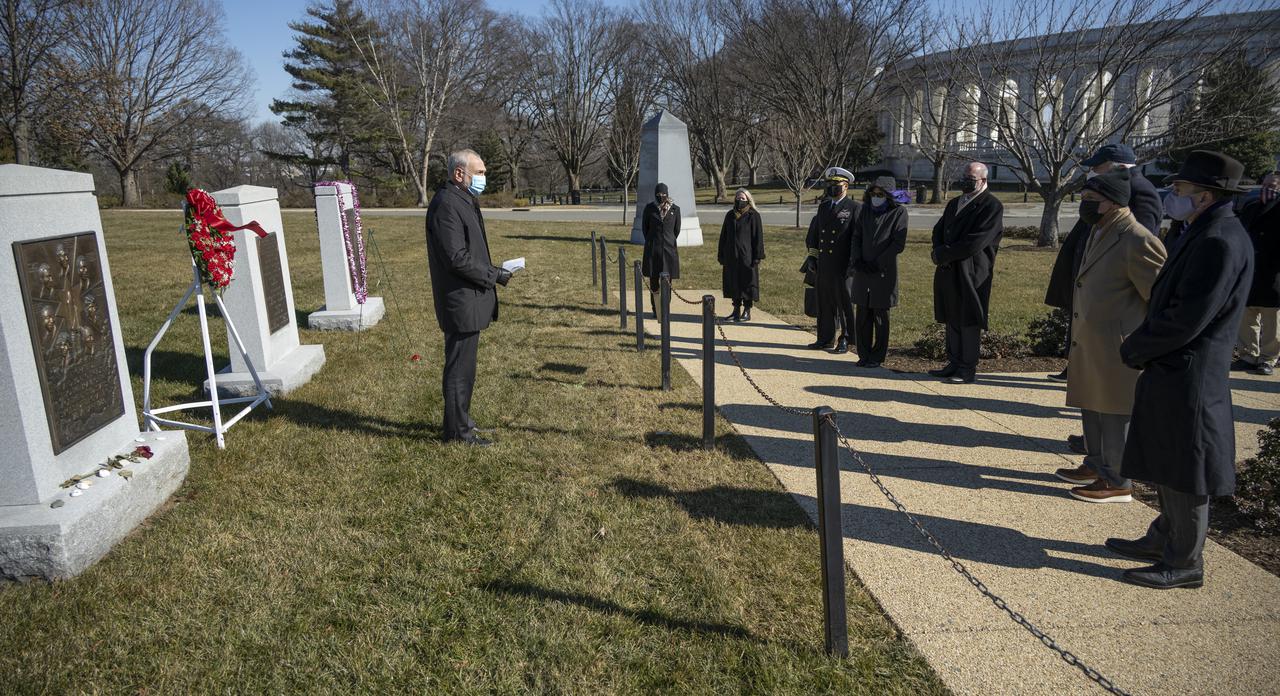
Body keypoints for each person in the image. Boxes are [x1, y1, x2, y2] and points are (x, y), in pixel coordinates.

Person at [1109, 151, 1255, 590]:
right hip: (1173, 367)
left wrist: (1135, 348)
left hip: (1190, 373)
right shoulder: (1203, 230)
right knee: (1167, 460)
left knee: (1187, 469)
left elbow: (1188, 317)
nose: (1171, 196)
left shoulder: (1220, 241)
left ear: (1205, 196)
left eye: (1180, 191)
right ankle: (1164, 537)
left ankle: (1185, 560)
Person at [1051, 169, 1167, 502]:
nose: (1084, 205)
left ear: (1113, 203)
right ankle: (1096, 464)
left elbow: (1159, 298)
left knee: (1114, 414)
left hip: (1118, 345)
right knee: (1092, 406)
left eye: (1091, 200)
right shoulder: (1100, 229)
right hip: (1092, 341)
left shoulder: (1137, 238)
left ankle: (1117, 481)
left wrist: (1141, 342)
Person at [1044, 144, 1163, 383]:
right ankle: (1076, 366)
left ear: (1118, 166)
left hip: (1112, 278)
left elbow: (1141, 238)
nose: (1094, 171)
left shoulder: (1140, 190)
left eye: (1098, 166)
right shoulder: (1104, 189)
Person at [425, 149, 514, 446]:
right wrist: (494, 275)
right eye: (479, 172)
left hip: (469, 298)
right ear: (459, 174)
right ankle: (456, 433)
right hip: (460, 299)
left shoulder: (463, 199)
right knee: (458, 370)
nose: (483, 178)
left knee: (466, 369)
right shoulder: (447, 204)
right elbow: (456, 258)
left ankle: (462, 422)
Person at [929, 162, 1003, 384]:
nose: (965, 180)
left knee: (968, 318)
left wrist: (945, 253)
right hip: (948, 269)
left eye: (970, 178)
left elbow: (976, 242)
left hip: (972, 271)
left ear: (983, 180)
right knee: (951, 315)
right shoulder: (955, 203)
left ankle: (967, 367)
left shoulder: (991, 205)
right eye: (964, 176)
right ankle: (953, 361)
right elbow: (939, 230)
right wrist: (938, 250)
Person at [848, 175, 908, 368]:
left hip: (883, 271)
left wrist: (878, 262)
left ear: (889, 195)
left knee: (880, 315)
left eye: (880, 194)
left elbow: (898, 244)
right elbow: (856, 236)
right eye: (873, 193)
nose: (876, 197)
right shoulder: (864, 210)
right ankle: (863, 353)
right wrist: (857, 259)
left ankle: (877, 356)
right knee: (863, 314)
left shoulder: (899, 212)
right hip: (862, 270)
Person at [803, 167, 859, 353]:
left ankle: (846, 338)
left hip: (843, 265)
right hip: (824, 264)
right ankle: (825, 338)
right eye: (829, 185)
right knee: (824, 303)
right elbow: (816, 234)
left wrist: (852, 263)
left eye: (836, 185)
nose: (832, 188)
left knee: (844, 304)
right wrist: (812, 256)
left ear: (846, 186)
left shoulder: (854, 208)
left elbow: (856, 238)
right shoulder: (824, 206)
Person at [1234, 171, 1279, 376]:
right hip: (1250, 271)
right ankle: (1248, 355)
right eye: (1267, 184)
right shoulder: (1251, 206)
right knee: (1247, 317)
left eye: (1274, 185)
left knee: (1271, 321)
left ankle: (1268, 358)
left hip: (1273, 274)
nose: (1269, 188)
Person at [718, 188, 765, 322]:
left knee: (747, 283)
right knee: (734, 283)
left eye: (743, 198)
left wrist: (757, 256)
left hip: (747, 257)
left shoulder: (753, 215)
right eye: (738, 198)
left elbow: (758, 237)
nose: (740, 200)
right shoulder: (730, 215)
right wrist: (721, 254)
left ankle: (747, 310)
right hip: (732, 256)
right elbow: (724, 236)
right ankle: (736, 310)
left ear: (748, 200)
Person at [642, 183, 681, 320]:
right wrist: (654, 241)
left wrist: (668, 241)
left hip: (669, 250)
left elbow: (676, 230)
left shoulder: (675, 210)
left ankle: (665, 308)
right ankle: (655, 308)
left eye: (663, 194)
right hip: (653, 250)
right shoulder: (649, 209)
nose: (661, 197)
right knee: (654, 281)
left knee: (667, 282)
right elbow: (645, 229)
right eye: (658, 195)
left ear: (667, 194)